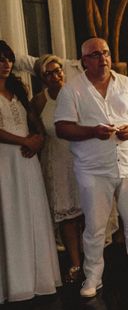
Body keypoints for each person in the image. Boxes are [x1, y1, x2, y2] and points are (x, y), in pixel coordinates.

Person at [55, 38, 128, 297]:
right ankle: (93, 276)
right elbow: (62, 127)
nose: (103, 59)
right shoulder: (72, 90)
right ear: (84, 60)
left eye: (105, 53)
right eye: (95, 55)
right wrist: (92, 131)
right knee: (95, 225)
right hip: (93, 167)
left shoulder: (126, 84)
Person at [0, 40, 61, 303]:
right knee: (10, 213)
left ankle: (37, 277)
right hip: (5, 159)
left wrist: (37, 138)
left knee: (31, 212)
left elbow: (34, 120)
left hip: (27, 158)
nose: (6, 65)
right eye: (1, 60)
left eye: (9, 59)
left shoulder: (18, 89)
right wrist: (23, 141)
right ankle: (15, 281)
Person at [31, 54, 84, 284]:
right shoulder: (38, 102)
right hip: (57, 160)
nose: (56, 76)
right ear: (42, 78)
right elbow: (37, 132)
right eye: (49, 73)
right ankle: (75, 263)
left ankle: (92, 259)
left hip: (81, 157)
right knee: (67, 215)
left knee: (87, 212)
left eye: (58, 70)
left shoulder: (78, 92)